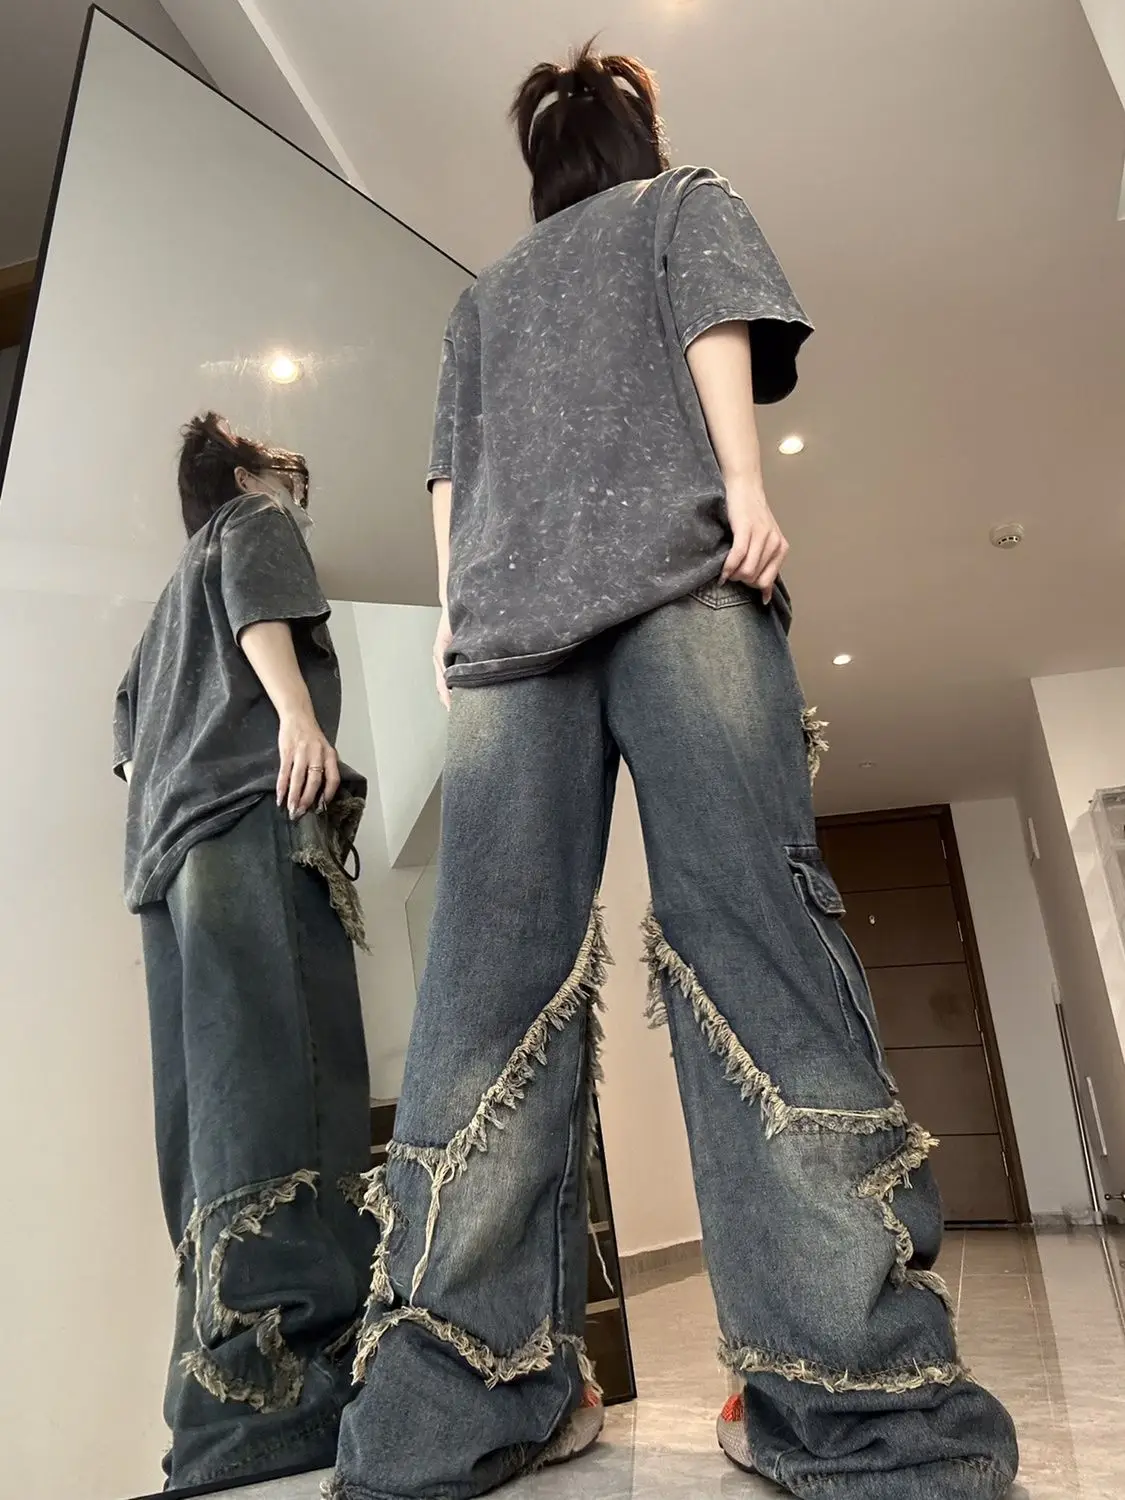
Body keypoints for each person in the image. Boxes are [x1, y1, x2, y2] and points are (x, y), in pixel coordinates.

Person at [331, 42, 1019, 1500]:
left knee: (485, 981)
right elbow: (716, 323)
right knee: (749, 934)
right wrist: (746, 486)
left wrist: (456, 619)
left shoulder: (484, 294)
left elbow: (451, 475)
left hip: (508, 636)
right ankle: (853, 1402)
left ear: (542, 165)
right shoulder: (681, 201)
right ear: (638, 137)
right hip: (682, 586)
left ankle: (446, 1417)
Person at [114, 413, 375, 1490]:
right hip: (243, 818)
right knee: (286, 1085)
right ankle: (301, 1399)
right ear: (234, 469)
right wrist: (299, 720)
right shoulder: (249, 523)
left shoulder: (151, 631)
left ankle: (219, 1410)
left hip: (163, 866)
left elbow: (129, 755)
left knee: (210, 1123)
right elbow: (261, 609)